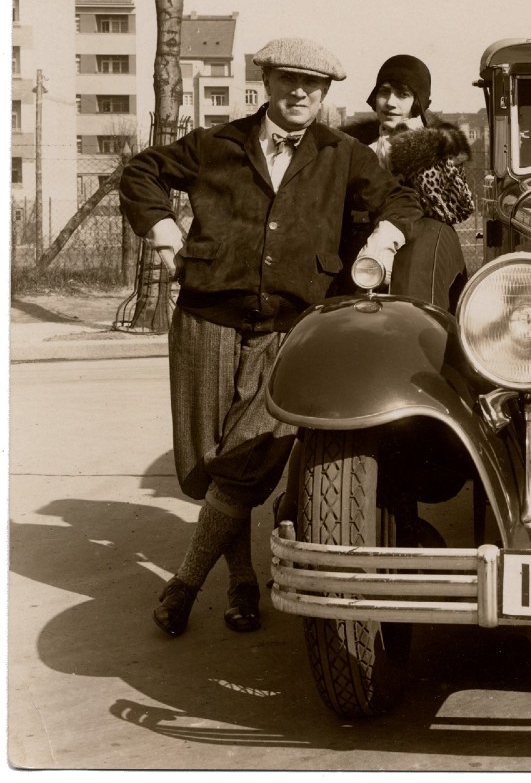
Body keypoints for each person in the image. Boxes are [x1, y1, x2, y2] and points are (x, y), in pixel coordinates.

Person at [120, 37, 423, 638]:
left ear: (328, 93)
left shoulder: (343, 155)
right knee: (209, 463)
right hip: (206, 318)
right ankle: (241, 583)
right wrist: (164, 235)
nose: (301, 92)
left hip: (292, 329)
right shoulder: (216, 144)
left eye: (314, 84)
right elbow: (141, 172)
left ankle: (183, 584)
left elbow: (401, 200)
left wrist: (380, 243)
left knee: (247, 460)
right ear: (267, 80)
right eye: (289, 79)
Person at [339, 54, 474, 310]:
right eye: (384, 92)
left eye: (403, 95)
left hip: (422, 244)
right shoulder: (353, 144)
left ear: (418, 103)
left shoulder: (438, 147)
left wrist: (412, 145)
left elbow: (454, 209)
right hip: (361, 243)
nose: (390, 103)